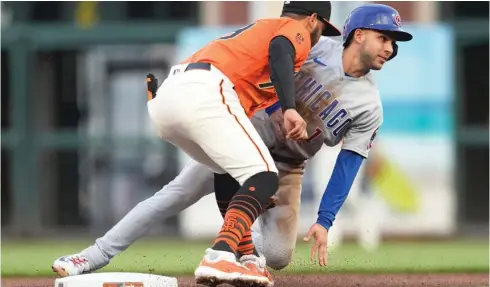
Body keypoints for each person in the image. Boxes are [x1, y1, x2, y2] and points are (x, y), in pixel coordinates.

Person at [52, 3, 412, 285]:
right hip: (245, 133)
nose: (390, 48)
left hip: (290, 164)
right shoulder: (314, 48)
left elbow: (348, 163)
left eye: (394, 43)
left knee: (278, 255)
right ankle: (94, 254)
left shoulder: (368, 106)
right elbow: (259, 66)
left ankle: (242, 249)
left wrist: (324, 220)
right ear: (360, 34)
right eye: (385, 38)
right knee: (175, 194)